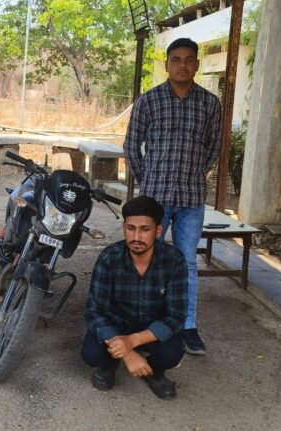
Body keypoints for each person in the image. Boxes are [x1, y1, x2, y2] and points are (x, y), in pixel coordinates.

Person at [122, 37, 222, 356]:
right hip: (155, 198)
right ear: (166, 65)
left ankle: (187, 325)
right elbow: (131, 144)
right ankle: (143, 319)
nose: (182, 65)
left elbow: (213, 146)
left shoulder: (210, 104)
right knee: (145, 257)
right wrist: (146, 178)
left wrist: (196, 172)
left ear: (197, 65)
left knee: (187, 261)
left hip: (191, 198)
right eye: (176, 59)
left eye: (188, 59)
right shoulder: (149, 101)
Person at [82, 196, 188, 400]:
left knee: (172, 353)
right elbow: (94, 311)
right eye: (131, 228)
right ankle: (109, 365)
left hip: (151, 328)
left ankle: (153, 372)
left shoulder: (174, 260)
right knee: (91, 353)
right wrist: (127, 353)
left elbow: (177, 315)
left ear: (158, 230)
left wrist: (132, 341)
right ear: (124, 228)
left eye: (145, 229)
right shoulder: (109, 257)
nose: (136, 237)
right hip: (117, 324)